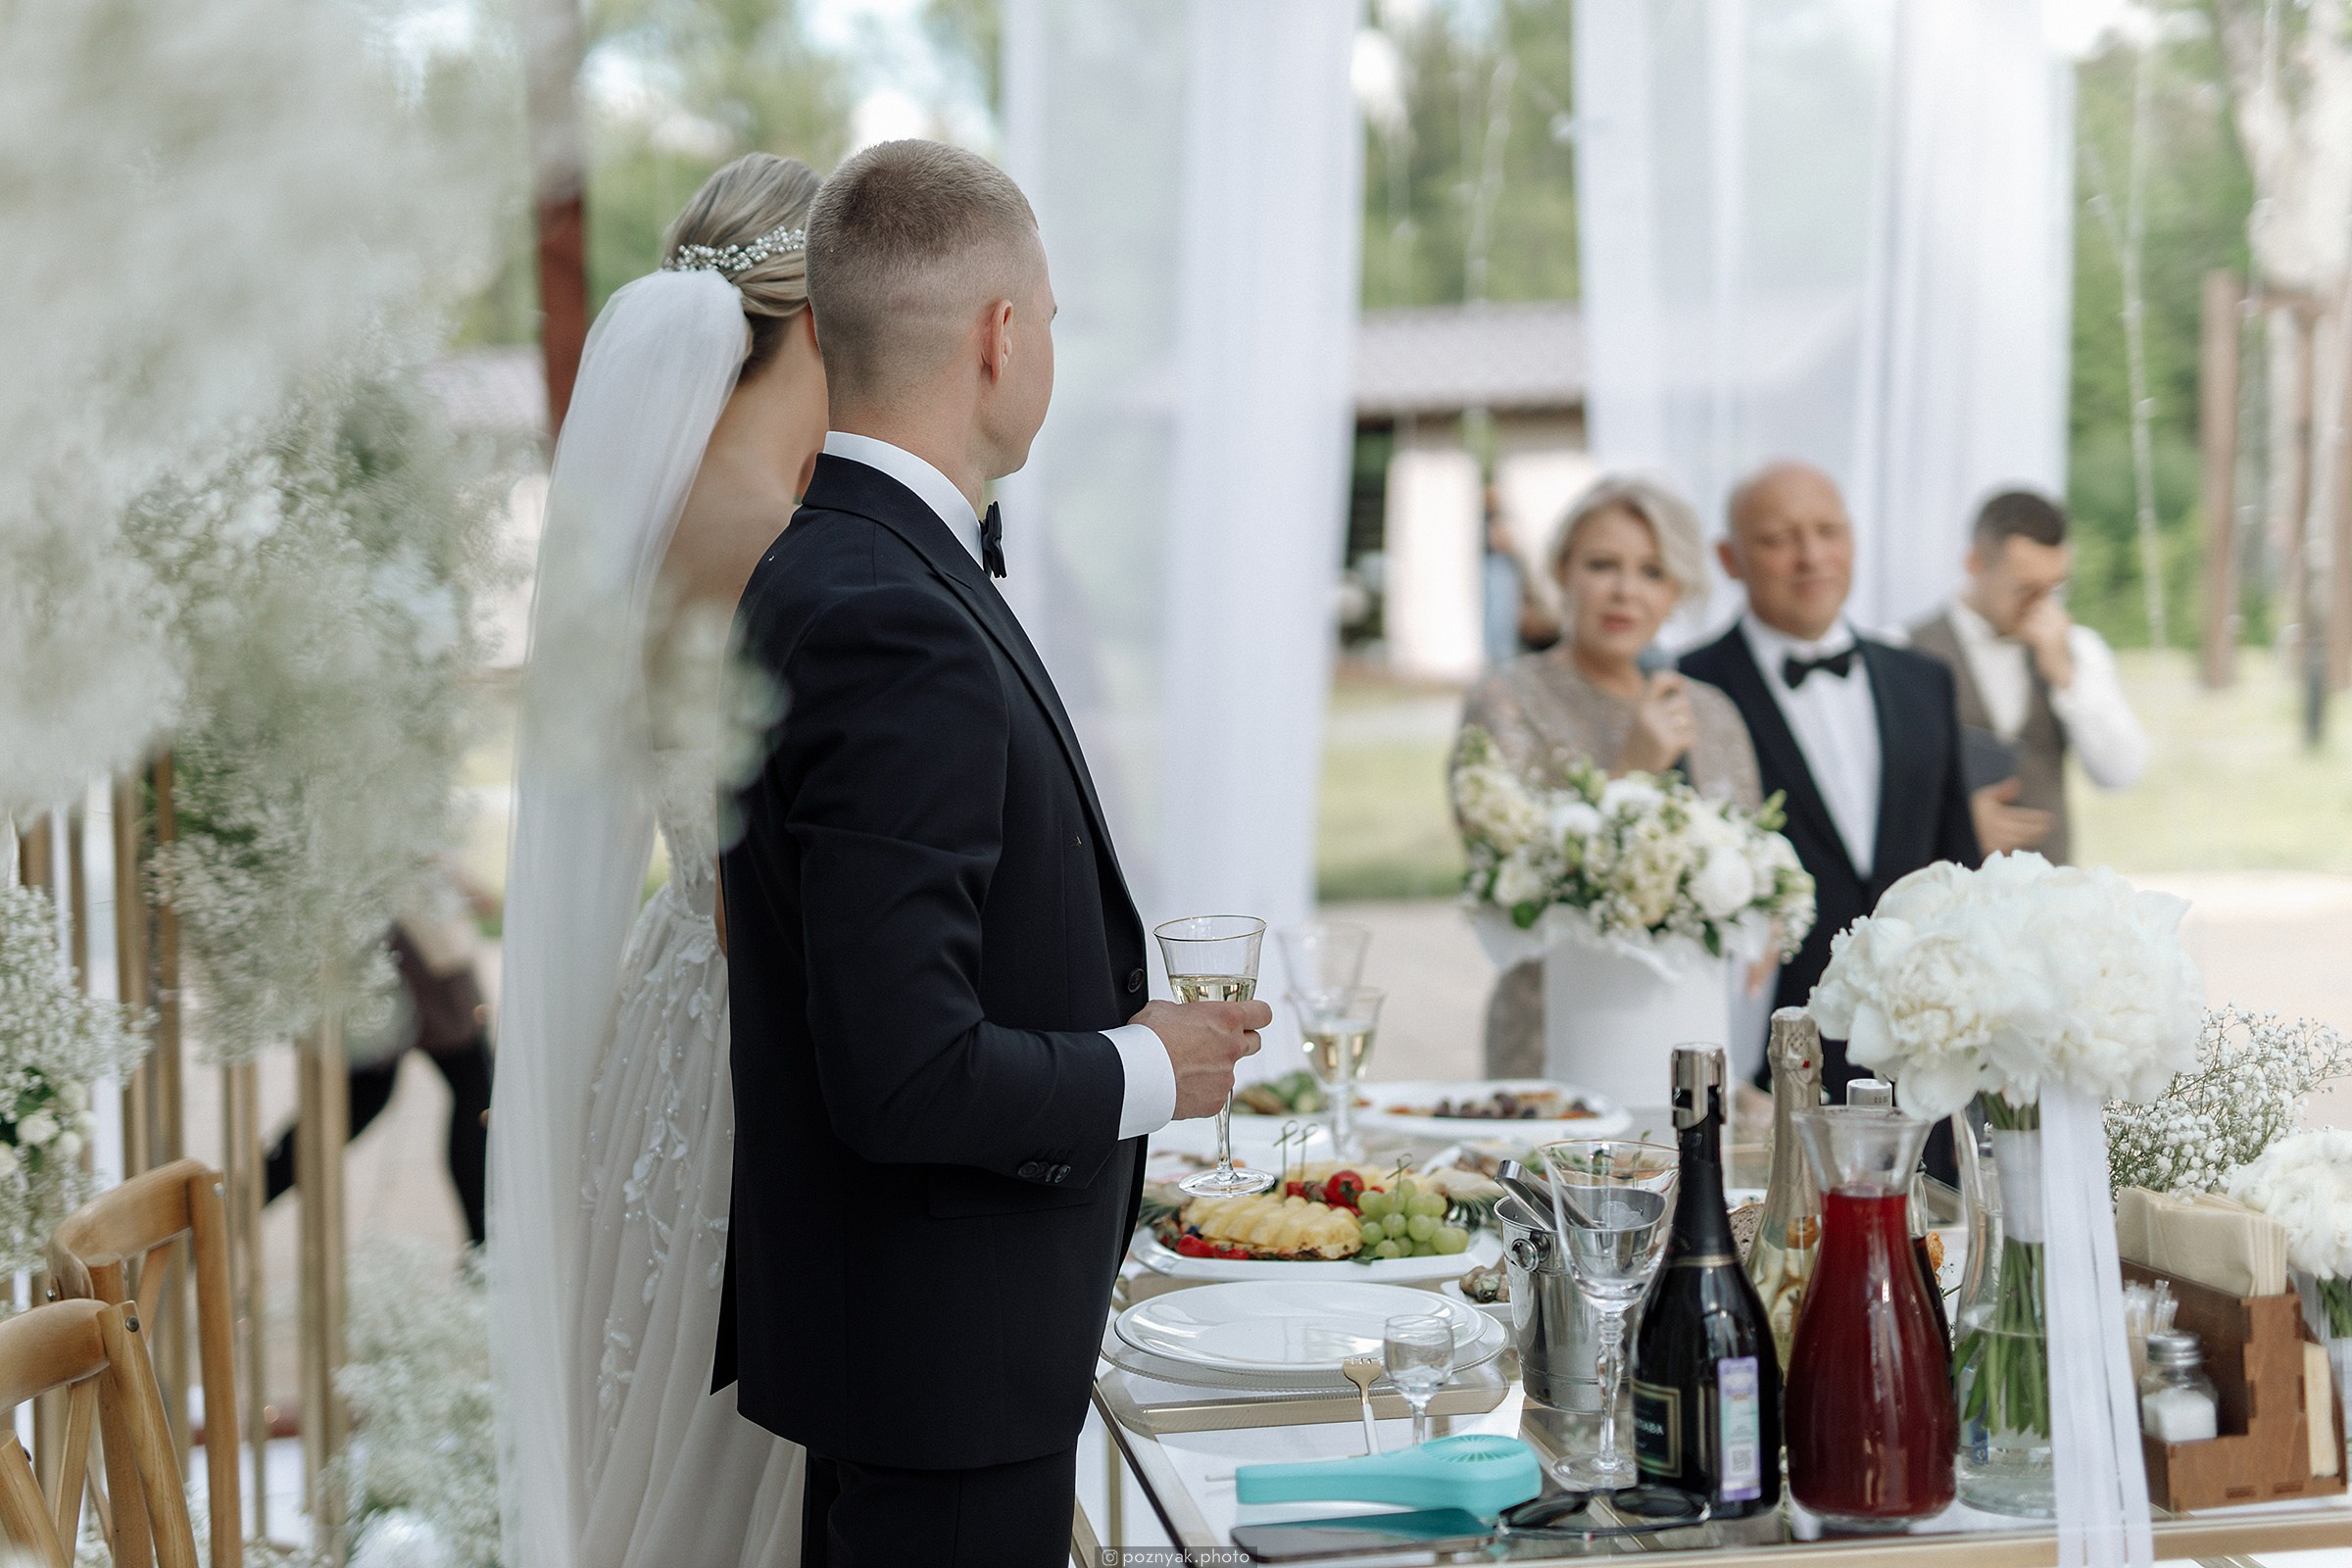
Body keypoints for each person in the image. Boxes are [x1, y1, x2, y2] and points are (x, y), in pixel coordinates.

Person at [716, 140, 1264, 1567]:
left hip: (910, 1350)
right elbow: (902, 1071)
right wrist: (1154, 1064)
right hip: (943, 1363)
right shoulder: (886, 612)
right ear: (1001, 337)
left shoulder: (840, 560)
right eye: (1056, 318)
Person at [490, 153, 830, 1568]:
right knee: (739, 1447)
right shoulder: (781, 548)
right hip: (753, 1026)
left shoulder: (648, 531)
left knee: (654, 1432)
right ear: (822, 321)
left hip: (666, 1011)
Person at [1680, 461, 1981, 1102]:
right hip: (1768, 1056)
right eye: (1777, 538)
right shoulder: (1690, 689)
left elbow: (1961, 866)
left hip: (1918, 1051)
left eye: (1828, 530)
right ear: (1729, 558)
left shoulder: (1923, 681)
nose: (1810, 556)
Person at [1455, 475, 1762, 1080]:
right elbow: (1502, 878)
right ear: (1563, 571)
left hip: (1695, 1033)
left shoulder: (1713, 713)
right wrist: (1632, 769)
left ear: (1677, 591)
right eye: (1602, 565)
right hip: (1556, 1033)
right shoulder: (1507, 699)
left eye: (1652, 572)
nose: (1625, 591)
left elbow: (1755, 867)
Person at [1907, 488, 2147, 862]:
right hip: (1943, 901)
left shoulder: (2078, 649)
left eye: (2054, 588)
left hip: (2051, 900)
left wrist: (2067, 677)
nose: (2042, 604)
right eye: (2025, 589)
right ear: (1974, 563)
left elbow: (2121, 773)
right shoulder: (1903, 650)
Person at [264, 905, 493, 1247]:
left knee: (359, 1101)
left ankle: (230, 1208)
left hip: (378, 932)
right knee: (473, 1090)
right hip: (406, 933)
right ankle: (482, 1251)